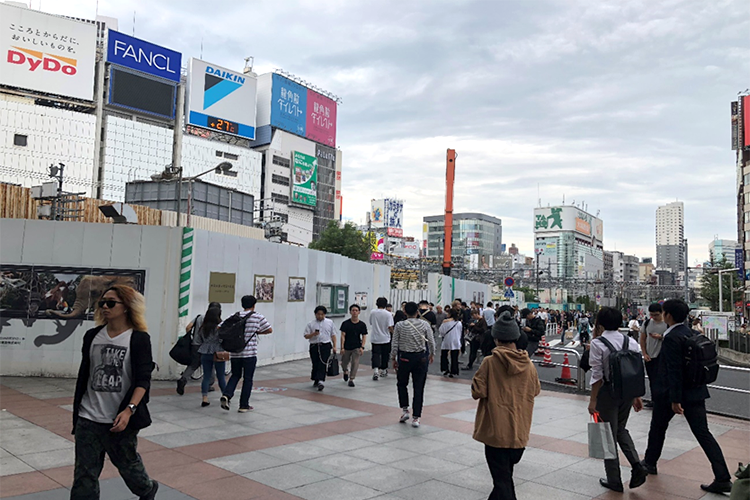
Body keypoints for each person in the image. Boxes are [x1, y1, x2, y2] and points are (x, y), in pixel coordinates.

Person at [71, 285, 159, 500]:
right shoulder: (92, 336)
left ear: (126, 307)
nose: (105, 307)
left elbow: (142, 380)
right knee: (84, 474)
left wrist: (129, 411)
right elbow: (86, 374)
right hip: (88, 417)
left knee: (128, 466)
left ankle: (147, 489)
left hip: (119, 420)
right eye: (102, 302)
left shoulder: (138, 339)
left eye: (111, 303)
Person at [641, 299, 732, 494]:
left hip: (672, 395)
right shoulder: (691, 333)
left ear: (669, 316)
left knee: (657, 427)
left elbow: (674, 370)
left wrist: (675, 399)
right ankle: (723, 476)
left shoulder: (672, 337)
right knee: (703, 433)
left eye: (664, 312)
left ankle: (649, 463)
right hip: (696, 391)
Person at [472, 311, 540, 500]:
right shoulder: (529, 365)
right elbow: (535, 390)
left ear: (496, 338)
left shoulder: (490, 363)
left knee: (502, 483)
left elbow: (477, 392)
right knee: (505, 478)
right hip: (519, 431)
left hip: (495, 430)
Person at [587, 306, 647, 493]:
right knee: (620, 429)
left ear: (600, 323)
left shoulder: (598, 343)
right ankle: (637, 465)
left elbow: (597, 375)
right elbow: (634, 372)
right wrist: (636, 396)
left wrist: (592, 401)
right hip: (627, 393)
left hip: (607, 393)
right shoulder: (630, 341)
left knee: (606, 434)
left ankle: (614, 480)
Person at [220, 295, 272, 412]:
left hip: (235, 352)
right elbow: (269, 329)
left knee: (235, 375)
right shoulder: (257, 317)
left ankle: (227, 395)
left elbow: (220, 327)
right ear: (254, 305)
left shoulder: (235, 316)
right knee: (248, 379)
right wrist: (257, 332)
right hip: (250, 353)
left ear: (242, 304)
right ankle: (244, 405)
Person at [391, 301, 436, 428]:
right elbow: (431, 341)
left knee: (402, 384)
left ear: (404, 312)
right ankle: (416, 417)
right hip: (420, 358)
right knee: (419, 387)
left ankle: (405, 410)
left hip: (404, 358)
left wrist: (393, 357)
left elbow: (395, 343)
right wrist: (432, 353)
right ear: (417, 312)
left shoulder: (399, 325)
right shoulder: (425, 325)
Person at [176, 302, 220, 395]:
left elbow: (188, 327)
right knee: (210, 364)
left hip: (195, 344)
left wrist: (193, 337)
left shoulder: (199, 317)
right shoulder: (216, 320)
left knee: (194, 364)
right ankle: (208, 385)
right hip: (207, 346)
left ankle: (183, 378)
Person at [196, 306, 227, 407]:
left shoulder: (203, 327)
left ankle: (205, 398)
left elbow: (199, 339)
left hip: (205, 351)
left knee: (206, 376)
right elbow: (223, 338)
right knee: (221, 376)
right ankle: (225, 396)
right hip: (218, 352)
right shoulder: (220, 327)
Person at [303, 305, 338, 391]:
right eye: (318, 314)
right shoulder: (311, 324)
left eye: (322, 314)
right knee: (315, 363)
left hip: (325, 345)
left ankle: (321, 381)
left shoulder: (330, 322)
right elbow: (306, 336)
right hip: (314, 345)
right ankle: (315, 378)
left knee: (323, 363)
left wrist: (334, 346)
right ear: (315, 314)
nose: (320, 316)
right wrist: (313, 334)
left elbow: (333, 335)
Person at [639, 303, 667, 408]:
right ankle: (654, 400)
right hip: (650, 356)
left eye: (656, 315)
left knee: (663, 380)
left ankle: (663, 401)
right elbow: (642, 339)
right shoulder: (646, 323)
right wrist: (644, 353)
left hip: (663, 356)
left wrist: (661, 337)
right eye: (652, 315)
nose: (654, 317)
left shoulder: (667, 324)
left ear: (662, 313)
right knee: (652, 379)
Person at [340, 304, 367, 387]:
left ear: (359, 312)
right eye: (353, 310)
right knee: (344, 362)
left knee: (355, 363)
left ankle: (351, 379)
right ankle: (345, 371)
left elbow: (364, 336)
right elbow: (342, 335)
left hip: (356, 346)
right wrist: (342, 347)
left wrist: (362, 347)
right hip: (347, 346)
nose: (354, 312)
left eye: (356, 310)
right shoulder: (345, 323)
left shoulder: (362, 324)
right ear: (350, 312)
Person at [370, 297, 394, 380]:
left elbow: (370, 322)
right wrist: (393, 333)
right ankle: (383, 370)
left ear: (377, 304)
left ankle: (376, 370)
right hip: (385, 338)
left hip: (375, 337)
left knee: (375, 354)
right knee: (385, 354)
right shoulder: (388, 314)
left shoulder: (373, 312)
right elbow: (390, 326)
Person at [439, 307, 462, 377]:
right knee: (454, 357)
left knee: (444, 355)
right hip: (456, 341)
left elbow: (441, 332)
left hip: (447, 340)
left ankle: (445, 369)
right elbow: (460, 332)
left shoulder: (445, 322)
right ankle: (454, 371)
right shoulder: (459, 323)